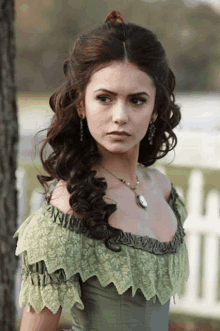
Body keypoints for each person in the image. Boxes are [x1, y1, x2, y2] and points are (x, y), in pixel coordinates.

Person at [13, 10, 189, 331]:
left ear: (155, 110)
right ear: (81, 104)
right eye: (105, 98)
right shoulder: (70, 207)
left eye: (137, 100)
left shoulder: (161, 189)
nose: (120, 115)